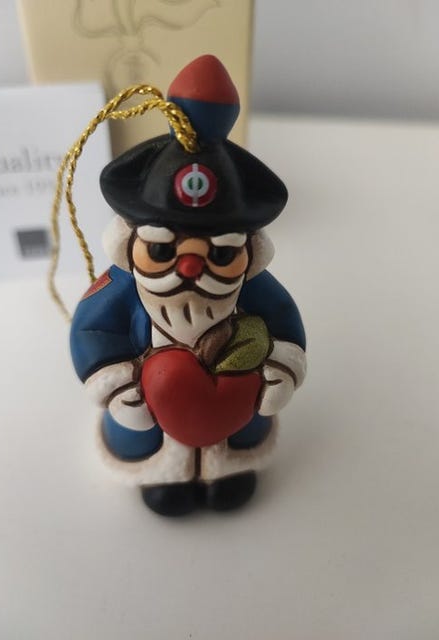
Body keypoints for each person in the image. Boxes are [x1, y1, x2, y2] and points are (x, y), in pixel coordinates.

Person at [70, 55, 306, 516]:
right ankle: (164, 477)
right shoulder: (121, 287)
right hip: (147, 417)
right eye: (163, 250)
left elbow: (284, 321)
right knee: (146, 438)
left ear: (247, 250)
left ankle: (228, 470)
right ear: (131, 242)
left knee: (236, 438)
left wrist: (282, 368)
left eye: (221, 254)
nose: (191, 267)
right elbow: (90, 329)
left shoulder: (252, 288)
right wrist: (115, 385)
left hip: (236, 416)